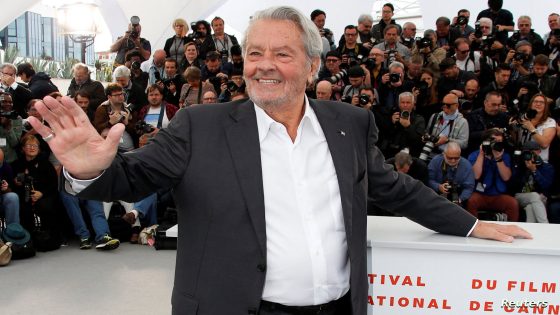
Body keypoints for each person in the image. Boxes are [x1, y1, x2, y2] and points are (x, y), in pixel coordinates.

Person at [29, 6, 530, 315]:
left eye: (282, 54)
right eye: (254, 53)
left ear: (313, 66)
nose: (264, 64)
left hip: (337, 309)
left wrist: (469, 225)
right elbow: (130, 176)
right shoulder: (199, 127)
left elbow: (392, 187)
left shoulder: (348, 123)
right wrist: (88, 168)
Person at [467, 128, 519, 221]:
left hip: (498, 194)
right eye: (494, 141)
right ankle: (474, 228)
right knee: (471, 201)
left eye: (500, 141)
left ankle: (512, 228)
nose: (497, 144)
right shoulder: (474, 155)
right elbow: (476, 175)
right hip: (480, 194)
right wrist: (482, 154)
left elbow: (506, 177)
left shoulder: (505, 156)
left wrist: (498, 158)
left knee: (512, 203)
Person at [509, 141, 554, 223]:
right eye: (528, 152)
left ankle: (531, 232)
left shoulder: (547, 167)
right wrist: (520, 167)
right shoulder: (519, 166)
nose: (531, 154)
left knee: (530, 207)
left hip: (540, 198)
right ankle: (546, 225)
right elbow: (512, 185)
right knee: (534, 196)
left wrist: (534, 170)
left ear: (539, 151)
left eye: (534, 151)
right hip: (521, 196)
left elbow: (546, 186)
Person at [428, 142, 475, 207]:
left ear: (460, 155)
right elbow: (429, 180)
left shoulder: (467, 165)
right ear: (443, 154)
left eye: (456, 158)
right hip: (437, 194)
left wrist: (460, 199)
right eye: (450, 158)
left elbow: (469, 187)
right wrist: (438, 187)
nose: (453, 161)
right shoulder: (435, 161)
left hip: (458, 195)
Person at [0, 149, 19, 225]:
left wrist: (5, 188)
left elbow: (10, 189)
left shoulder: (6, 167)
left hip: (2, 196)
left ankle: (12, 230)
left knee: (13, 197)